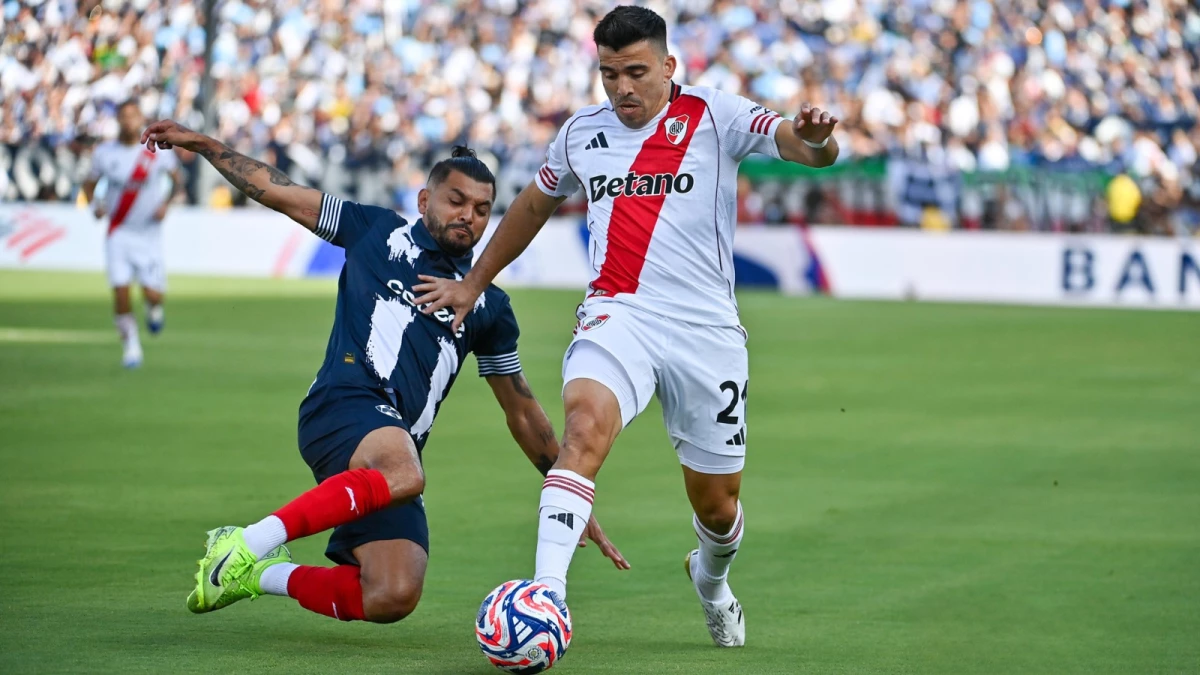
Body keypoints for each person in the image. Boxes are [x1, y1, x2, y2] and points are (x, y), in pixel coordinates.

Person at [413, 6, 839, 647]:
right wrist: (475, 283)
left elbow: (806, 150)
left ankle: (712, 579)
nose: (622, 89)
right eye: (609, 74)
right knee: (582, 429)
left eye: (636, 72)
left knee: (717, 506)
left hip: (707, 331)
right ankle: (545, 599)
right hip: (620, 314)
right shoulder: (582, 133)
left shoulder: (715, 114)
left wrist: (817, 136)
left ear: (669, 66)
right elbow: (533, 204)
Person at [137, 120, 627, 624]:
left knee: (392, 593)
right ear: (423, 201)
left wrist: (568, 491)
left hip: (393, 449)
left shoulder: (489, 306)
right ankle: (246, 543)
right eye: (455, 201)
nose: (469, 217)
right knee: (403, 470)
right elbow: (278, 191)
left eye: (482, 210)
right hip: (342, 403)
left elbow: (521, 410)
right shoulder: (375, 231)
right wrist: (208, 146)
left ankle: (253, 575)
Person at [82, 101, 183, 368]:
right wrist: (96, 204)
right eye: (123, 116)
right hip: (118, 232)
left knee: (152, 294)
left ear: (140, 118)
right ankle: (131, 348)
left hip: (148, 233)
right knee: (121, 292)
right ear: (117, 120)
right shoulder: (105, 153)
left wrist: (166, 203)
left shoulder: (157, 152)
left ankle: (154, 308)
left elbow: (177, 179)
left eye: (132, 116)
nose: (128, 121)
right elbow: (89, 183)